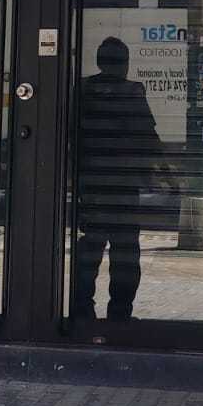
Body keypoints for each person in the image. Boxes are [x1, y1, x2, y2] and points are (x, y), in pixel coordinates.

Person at [72, 36, 161, 322]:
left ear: (99, 62)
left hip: (91, 186)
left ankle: (82, 309)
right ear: (125, 64)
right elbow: (148, 137)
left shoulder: (81, 89)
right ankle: (120, 314)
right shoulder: (132, 91)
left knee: (89, 250)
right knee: (125, 255)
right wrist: (162, 171)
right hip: (123, 186)